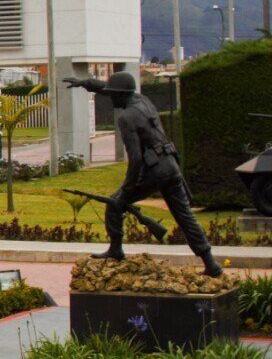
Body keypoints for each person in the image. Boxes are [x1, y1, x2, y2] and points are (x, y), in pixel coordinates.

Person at [65, 71, 221, 276]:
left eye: (112, 94)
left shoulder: (127, 118)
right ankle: (210, 263)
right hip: (171, 165)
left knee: (114, 203)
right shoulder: (142, 100)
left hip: (155, 170)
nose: (110, 97)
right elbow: (108, 86)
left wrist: (127, 191)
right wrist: (87, 83)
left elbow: (136, 159)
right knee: (185, 217)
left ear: (120, 95)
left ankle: (115, 250)